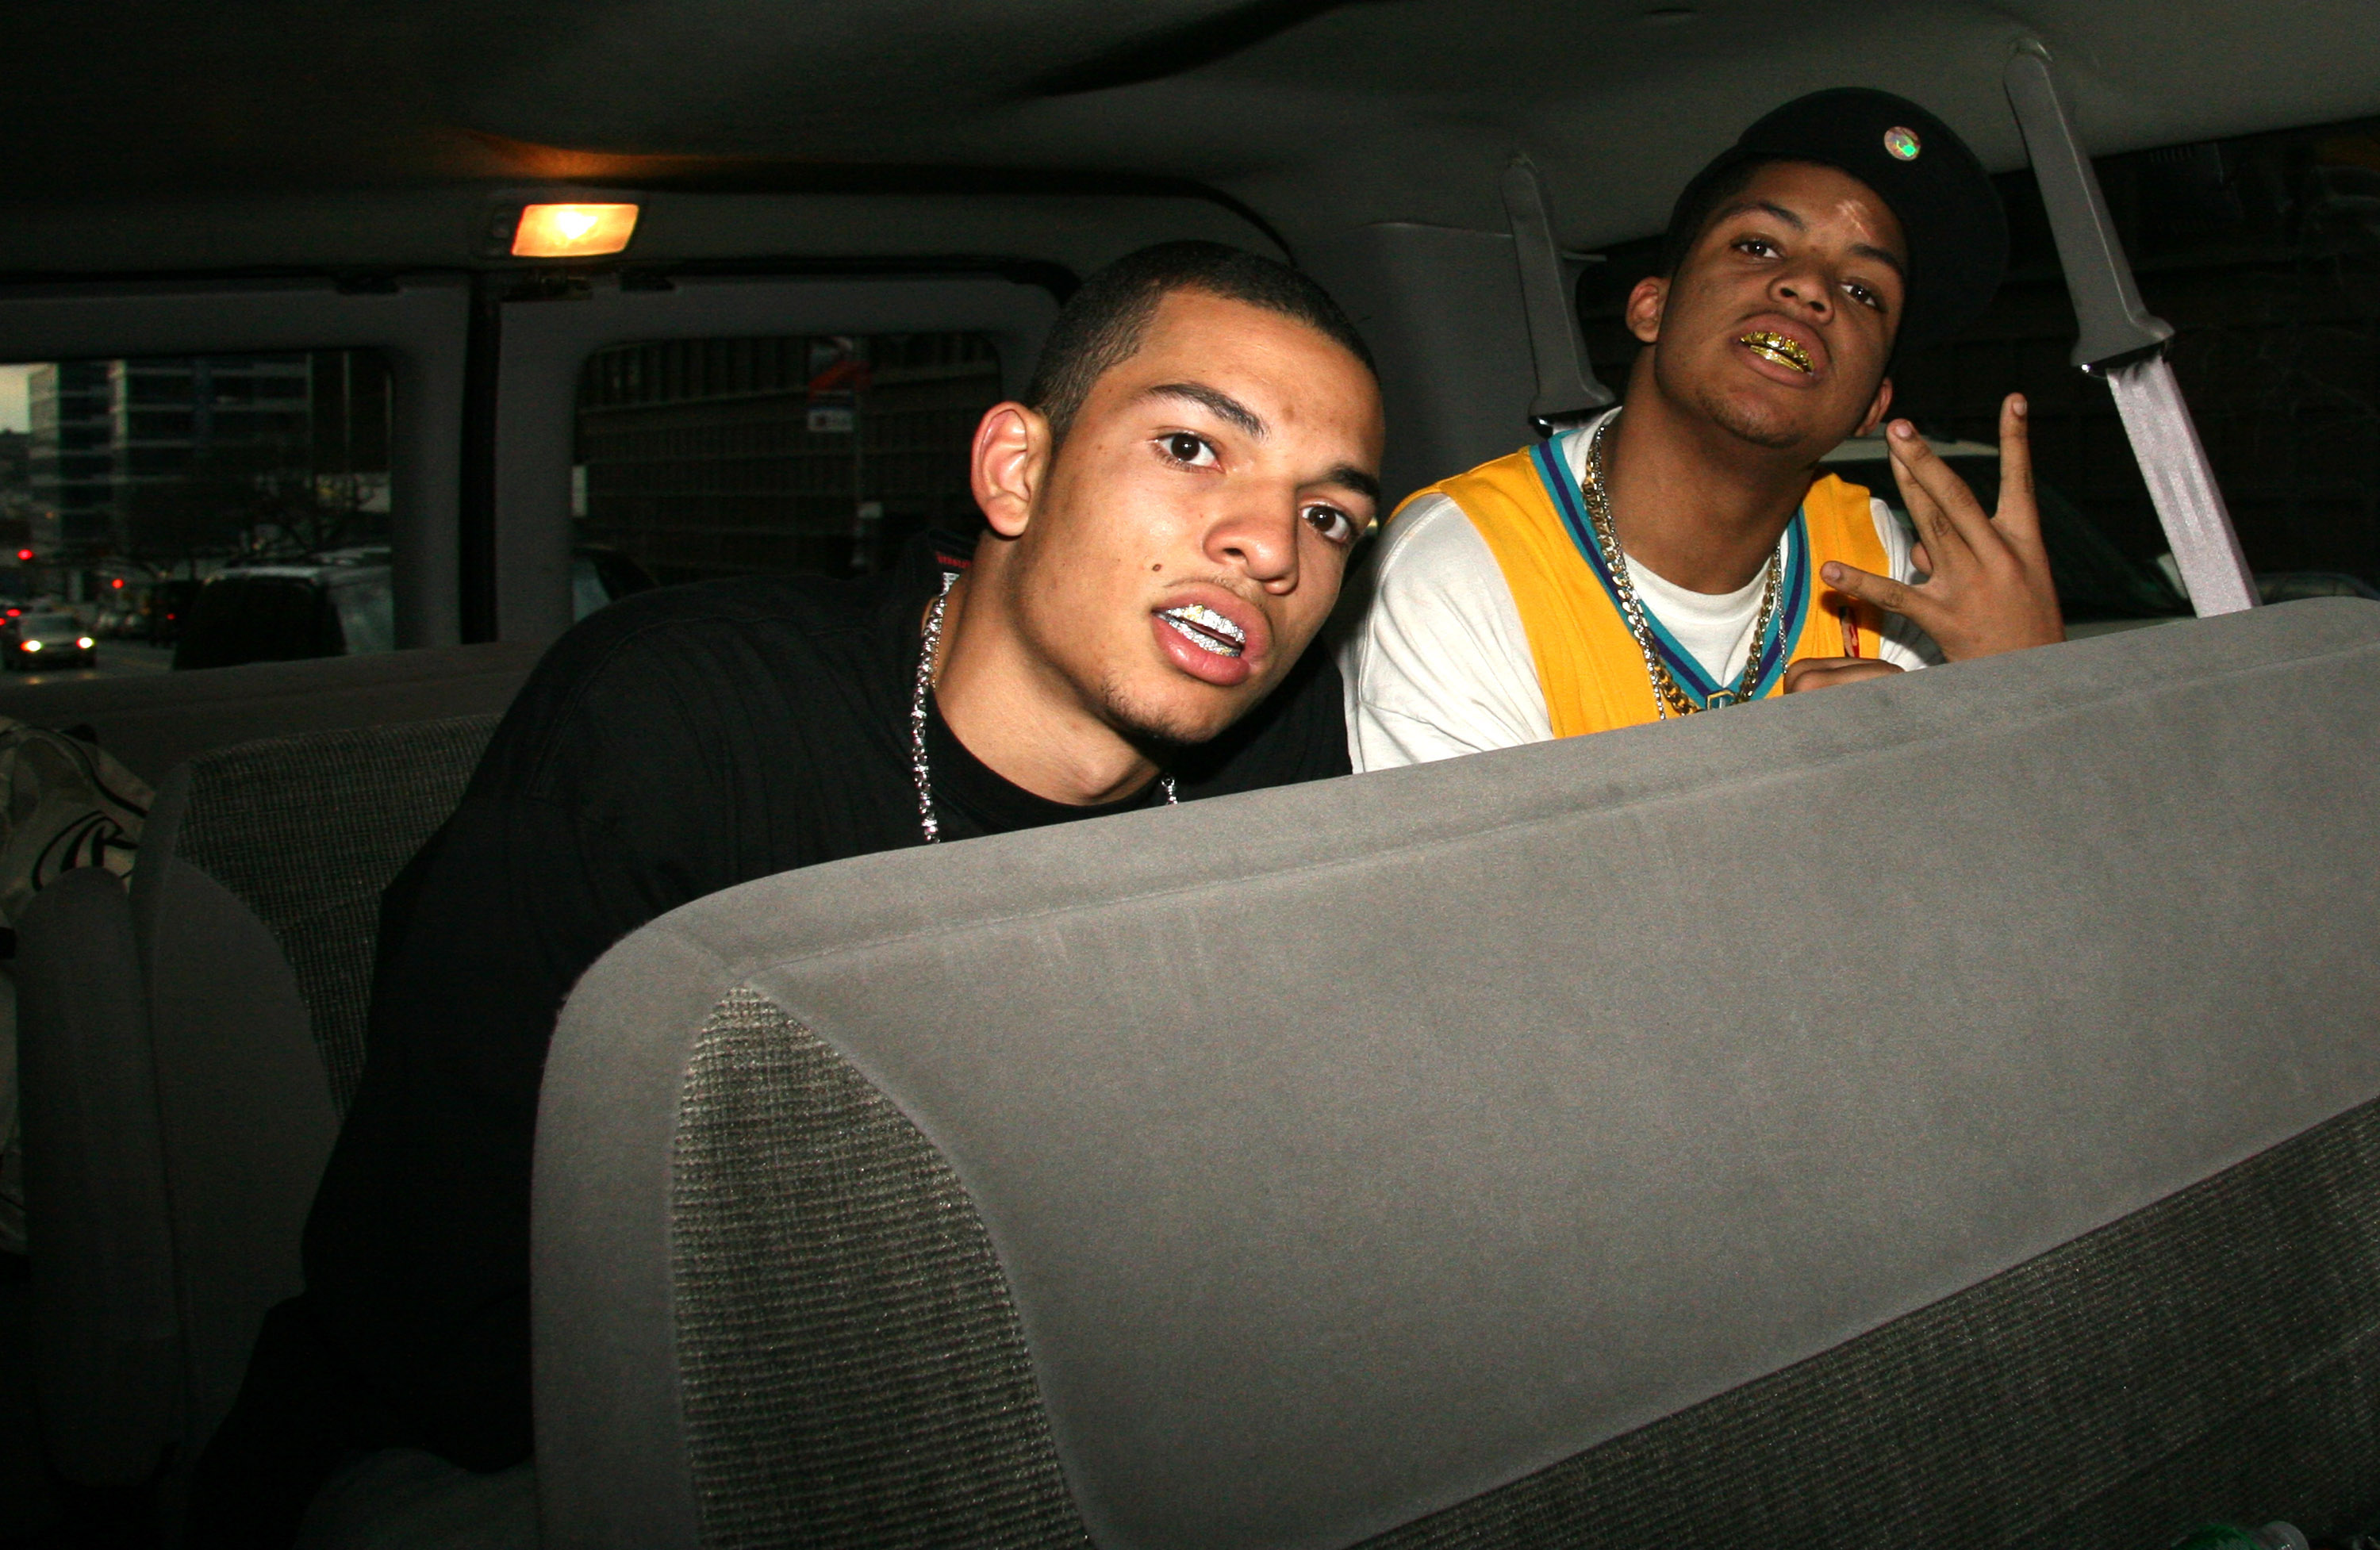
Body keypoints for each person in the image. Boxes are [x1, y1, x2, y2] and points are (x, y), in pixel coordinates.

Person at [188, 240, 1385, 1544]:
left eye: (1329, 513)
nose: (1271, 543)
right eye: (1194, 448)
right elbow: (435, 1306)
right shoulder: (677, 722)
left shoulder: (1277, 757)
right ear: (1016, 469)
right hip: (484, 1439)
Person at [1345, 88, 2063, 768]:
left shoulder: (1873, 555)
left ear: (1872, 406)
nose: (1809, 287)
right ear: (1651, 309)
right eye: (1758, 247)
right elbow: (1505, 897)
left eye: (1861, 292)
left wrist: (2034, 687)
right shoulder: (1463, 565)